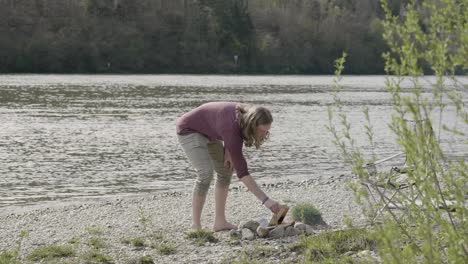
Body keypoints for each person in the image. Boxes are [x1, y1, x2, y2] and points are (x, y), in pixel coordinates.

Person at [176, 102, 280, 231]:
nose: (264, 135)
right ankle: (195, 226)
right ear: (252, 125)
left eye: (267, 131)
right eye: (262, 131)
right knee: (205, 174)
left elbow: (223, 124)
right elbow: (242, 172)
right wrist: (266, 200)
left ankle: (220, 222)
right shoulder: (232, 128)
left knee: (226, 171)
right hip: (189, 129)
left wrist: (228, 149)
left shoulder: (245, 117)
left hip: (210, 131)